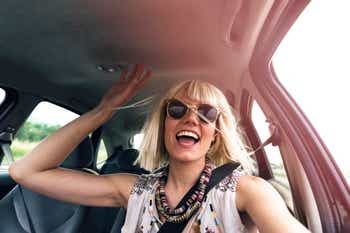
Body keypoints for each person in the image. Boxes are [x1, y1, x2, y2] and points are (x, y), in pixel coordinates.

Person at [9, 64, 310, 233]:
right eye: (177, 110)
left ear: (216, 134)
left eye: (206, 113)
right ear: (164, 126)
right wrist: (102, 112)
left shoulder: (244, 192)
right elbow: (25, 171)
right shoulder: (135, 191)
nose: (191, 118)